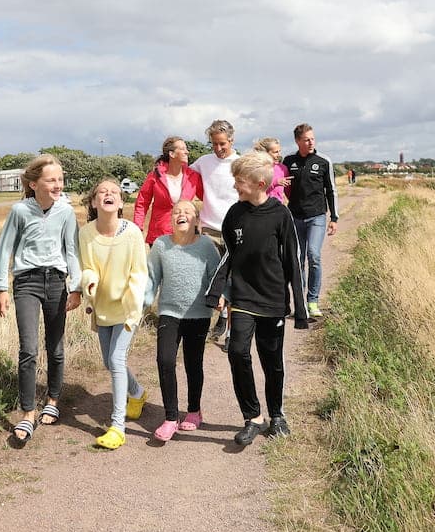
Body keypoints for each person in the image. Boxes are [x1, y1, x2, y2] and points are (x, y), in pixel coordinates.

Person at [208, 152, 308, 446]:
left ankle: (276, 416)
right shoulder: (234, 214)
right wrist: (217, 292)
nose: (236, 185)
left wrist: (299, 308)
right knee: (238, 352)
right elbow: (228, 255)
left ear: (260, 183)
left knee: (272, 360)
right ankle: (252, 417)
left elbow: (292, 260)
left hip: (273, 298)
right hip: (242, 297)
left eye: (240, 180)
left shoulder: (280, 214)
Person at [0, 154, 82, 446]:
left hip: (57, 282)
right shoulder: (19, 211)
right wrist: (1, 288)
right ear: (34, 184)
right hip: (27, 283)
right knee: (28, 349)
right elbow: (4, 248)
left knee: (55, 347)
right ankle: (28, 412)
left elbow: (72, 252)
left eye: (60, 180)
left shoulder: (66, 212)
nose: (58, 185)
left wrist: (76, 287)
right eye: (51, 180)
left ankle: (53, 400)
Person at [79, 178, 150, 450]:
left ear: (120, 203)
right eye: (102, 192)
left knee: (117, 360)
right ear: (95, 202)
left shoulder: (131, 232)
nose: (108, 195)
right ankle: (138, 393)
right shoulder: (86, 233)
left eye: (114, 192)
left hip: (127, 308)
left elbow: (139, 272)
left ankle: (117, 427)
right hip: (102, 307)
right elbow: (87, 267)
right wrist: (89, 282)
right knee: (109, 362)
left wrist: (133, 304)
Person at [143, 200, 220, 442]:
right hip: (169, 313)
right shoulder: (161, 245)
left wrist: (220, 298)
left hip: (199, 315)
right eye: (177, 211)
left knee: (193, 364)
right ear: (171, 219)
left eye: (187, 211)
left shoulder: (207, 245)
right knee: (165, 360)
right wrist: (141, 304)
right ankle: (170, 417)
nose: (181, 214)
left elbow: (217, 277)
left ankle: (194, 411)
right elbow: (151, 278)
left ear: (197, 220)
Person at [190, 119, 240, 344]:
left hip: (234, 229)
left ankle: (231, 331)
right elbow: (183, 176)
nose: (218, 149)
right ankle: (221, 314)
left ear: (231, 140)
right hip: (209, 228)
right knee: (210, 278)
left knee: (232, 279)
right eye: (214, 144)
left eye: (222, 144)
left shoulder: (240, 163)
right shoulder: (203, 162)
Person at [283, 123, 338, 318]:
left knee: (314, 255)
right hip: (295, 217)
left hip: (317, 216)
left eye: (313, 138)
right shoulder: (288, 161)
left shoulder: (324, 161)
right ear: (298, 141)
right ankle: (300, 303)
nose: (311, 142)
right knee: (298, 260)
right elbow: (280, 186)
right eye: (306, 139)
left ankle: (313, 301)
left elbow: (331, 190)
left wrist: (334, 217)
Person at [132, 136, 203, 245]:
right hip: (160, 236)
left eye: (186, 149)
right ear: (172, 154)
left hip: (186, 234)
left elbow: (207, 198)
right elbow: (142, 203)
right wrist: (137, 228)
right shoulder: (154, 176)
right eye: (183, 149)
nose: (187, 152)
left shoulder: (193, 177)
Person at [253, 137, 291, 203]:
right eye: (275, 152)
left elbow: (288, 192)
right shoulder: (258, 168)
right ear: (266, 153)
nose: (279, 155)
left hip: (278, 208)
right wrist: (275, 183)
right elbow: (255, 190)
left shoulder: (283, 168)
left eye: (279, 151)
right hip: (261, 208)